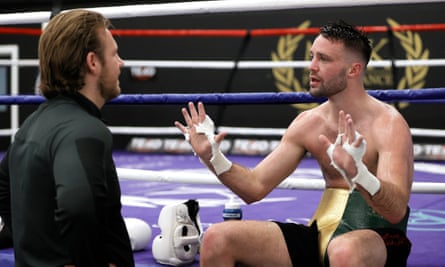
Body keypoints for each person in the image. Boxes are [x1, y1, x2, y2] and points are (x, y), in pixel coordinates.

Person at [175, 20, 413, 267]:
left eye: (324, 59)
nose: (311, 67)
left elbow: (395, 211)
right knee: (217, 238)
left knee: (344, 251)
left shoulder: (388, 124)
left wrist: (358, 173)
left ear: (353, 70)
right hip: (320, 235)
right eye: (311, 57)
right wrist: (212, 157)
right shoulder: (308, 123)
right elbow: (254, 187)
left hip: (379, 241)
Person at [0, 9, 135, 266]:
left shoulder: (31, 125)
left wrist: (40, 252)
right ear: (93, 62)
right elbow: (78, 206)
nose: (121, 63)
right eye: (114, 54)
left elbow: (2, 189)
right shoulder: (85, 129)